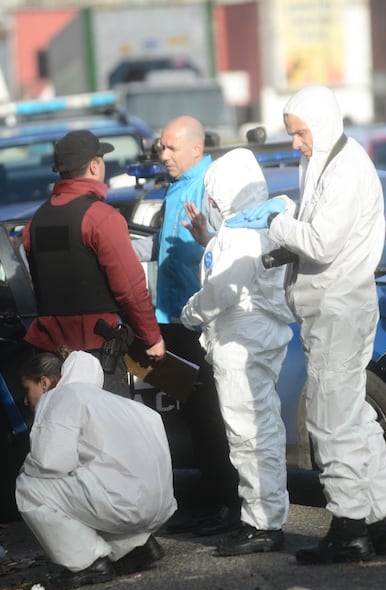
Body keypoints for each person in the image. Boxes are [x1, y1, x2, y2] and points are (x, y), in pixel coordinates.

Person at [225, 85, 386, 564]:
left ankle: (349, 529)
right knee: (355, 417)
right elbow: (325, 237)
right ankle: (382, 521)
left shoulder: (344, 168)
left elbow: (323, 243)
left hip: (337, 306)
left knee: (330, 420)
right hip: (337, 304)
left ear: (321, 123)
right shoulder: (328, 160)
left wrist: (278, 220)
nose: (296, 143)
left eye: (300, 133)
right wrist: (285, 241)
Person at [180, 148, 295, 556]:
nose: (211, 202)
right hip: (256, 338)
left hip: (240, 342)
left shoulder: (240, 233)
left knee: (248, 435)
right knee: (262, 430)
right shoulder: (259, 224)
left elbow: (224, 290)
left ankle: (261, 524)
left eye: (214, 193)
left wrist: (190, 312)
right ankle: (266, 517)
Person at [133, 115, 240, 537]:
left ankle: (230, 502)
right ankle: (215, 498)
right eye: (162, 147)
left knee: (213, 414)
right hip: (174, 318)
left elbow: (226, 243)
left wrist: (207, 238)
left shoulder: (209, 184)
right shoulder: (175, 188)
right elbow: (165, 246)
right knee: (195, 414)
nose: (163, 155)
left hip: (201, 320)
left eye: (171, 148)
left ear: (196, 149)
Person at [15, 349, 176, 590]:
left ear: (45, 383)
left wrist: (27, 466)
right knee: (90, 482)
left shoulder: (60, 397)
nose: (27, 400)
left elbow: (50, 462)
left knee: (29, 485)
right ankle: (135, 548)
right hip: (160, 507)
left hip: (124, 505)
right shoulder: (120, 404)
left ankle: (87, 563)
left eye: (27, 389)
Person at [23, 129, 164, 398]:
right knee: (106, 437)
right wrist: (151, 337)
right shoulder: (100, 217)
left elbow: (38, 285)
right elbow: (130, 288)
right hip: (97, 354)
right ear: (94, 165)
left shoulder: (36, 222)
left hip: (50, 354)